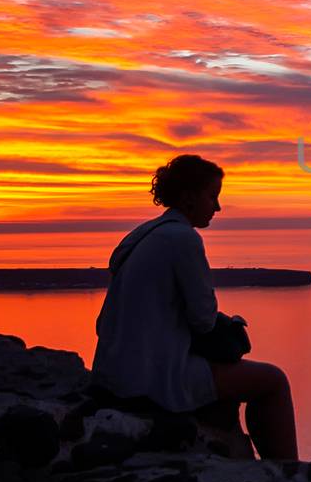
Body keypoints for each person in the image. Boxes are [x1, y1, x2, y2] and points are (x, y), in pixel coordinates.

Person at [91, 154, 298, 461]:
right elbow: (202, 320)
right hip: (151, 380)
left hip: (112, 373)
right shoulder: (183, 238)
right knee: (273, 381)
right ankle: (287, 471)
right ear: (189, 198)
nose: (217, 207)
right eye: (212, 196)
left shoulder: (143, 234)